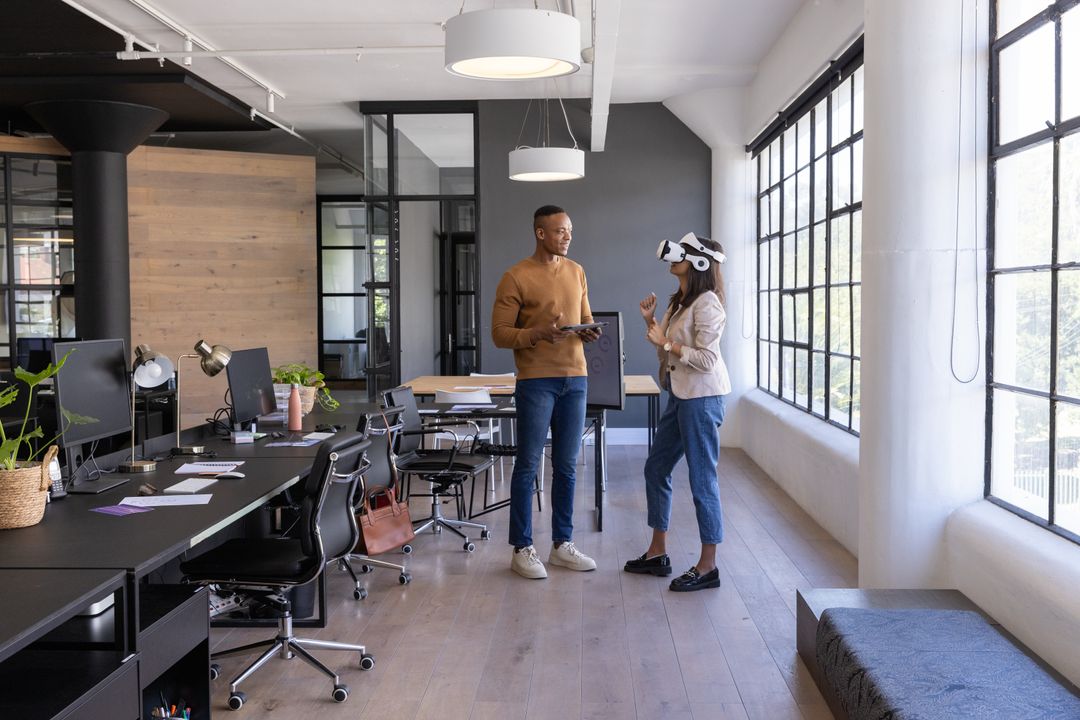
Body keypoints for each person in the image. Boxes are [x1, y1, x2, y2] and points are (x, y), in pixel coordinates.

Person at [491, 205, 601, 579]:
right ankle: (522, 549)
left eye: (569, 230)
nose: (567, 236)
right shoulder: (515, 276)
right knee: (528, 464)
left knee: (567, 466)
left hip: (576, 379)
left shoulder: (577, 271)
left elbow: (585, 318)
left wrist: (589, 330)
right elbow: (500, 334)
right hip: (536, 381)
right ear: (540, 233)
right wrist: (538, 333)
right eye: (559, 231)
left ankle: (561, 545)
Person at [624, 232, 731, 591]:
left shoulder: (708, 303)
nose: (674, 257)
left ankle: (708, 566)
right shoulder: (681, 301)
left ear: (699, 262)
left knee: (702, 479)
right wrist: (651, 323)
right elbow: (667, 351)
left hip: (702, 398)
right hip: (680, 394)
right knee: (656, 468)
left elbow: (707, 359)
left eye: (682, 253)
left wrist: (666, 341)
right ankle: (657, 553)